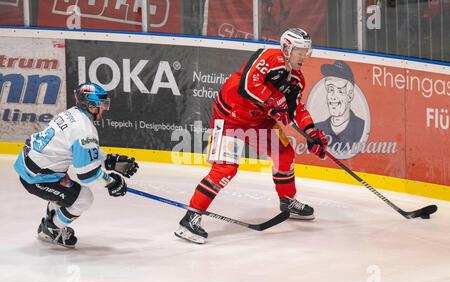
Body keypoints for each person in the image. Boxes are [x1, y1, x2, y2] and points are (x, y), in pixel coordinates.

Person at [175, 28, 328, 244]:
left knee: (284, 154)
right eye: (300, 51)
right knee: (225, 169)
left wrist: (312, 132)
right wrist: (273, 98)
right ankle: (190, 219)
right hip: (230, 120)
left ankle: (287, 201)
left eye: (307, 51)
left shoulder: (296, 79)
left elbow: (296, 109)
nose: (304, 56)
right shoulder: (268, 57)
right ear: (286, 48)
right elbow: (248, 84)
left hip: (260, 122)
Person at [13, 82, 139, 248]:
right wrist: (112, 183)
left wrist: (109, 160)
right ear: (91, 105)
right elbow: (87, 174)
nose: (104, 108)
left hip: (32, 166)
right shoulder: (84, 129)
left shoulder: (72, 114)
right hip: (37, 178)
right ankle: (51, 228)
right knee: (84, 199)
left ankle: (52, 214)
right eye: (102, 104)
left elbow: (78, 150)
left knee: (68, 188)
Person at [315, 60, 365, 150]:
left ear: (350, 95)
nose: (333, 97)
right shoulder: (317, 129)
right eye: (330, 89)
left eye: (340, 90)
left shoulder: (362, 128)